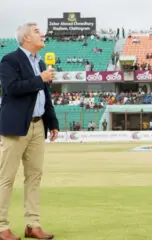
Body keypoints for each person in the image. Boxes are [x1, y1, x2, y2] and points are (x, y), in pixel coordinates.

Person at [0, 23, 59, 240]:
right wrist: (39, 80)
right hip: (16, 127)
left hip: (38, 126)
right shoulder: (10, 60)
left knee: (34, 177)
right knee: (6, 178)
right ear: (26, 38)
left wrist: (52, 123)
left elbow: (44, 97)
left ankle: (32, 224)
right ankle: (1, 227)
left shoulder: (40, 62)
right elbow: (12, 88)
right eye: (36, 31)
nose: (41, 34)